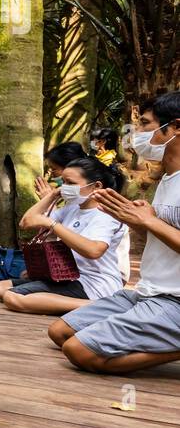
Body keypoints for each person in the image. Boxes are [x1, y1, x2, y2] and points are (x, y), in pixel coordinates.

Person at [49, 92, 180, 373]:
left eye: (145, 124)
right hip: (147, 292)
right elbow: (162, 234)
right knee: (60, 333)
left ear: (176, 127)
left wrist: (150, 221)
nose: (137, 132)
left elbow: (155, 227)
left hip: (175, 299)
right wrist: (135, 218)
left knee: (78, 350)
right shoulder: (169, 179)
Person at [0, 158, 127, 315]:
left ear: (96, 186)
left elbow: (94, 251)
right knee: (0, 287)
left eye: (70, 183)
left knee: (13, 297)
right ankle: (77, 303)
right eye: (63, 182)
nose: (65, 187)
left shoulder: (105, 214)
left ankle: (98, 306)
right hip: (67, 276)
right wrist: (52, 196)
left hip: (94, 284)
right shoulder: (73, 208)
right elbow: (26, 222)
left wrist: (53, 225)